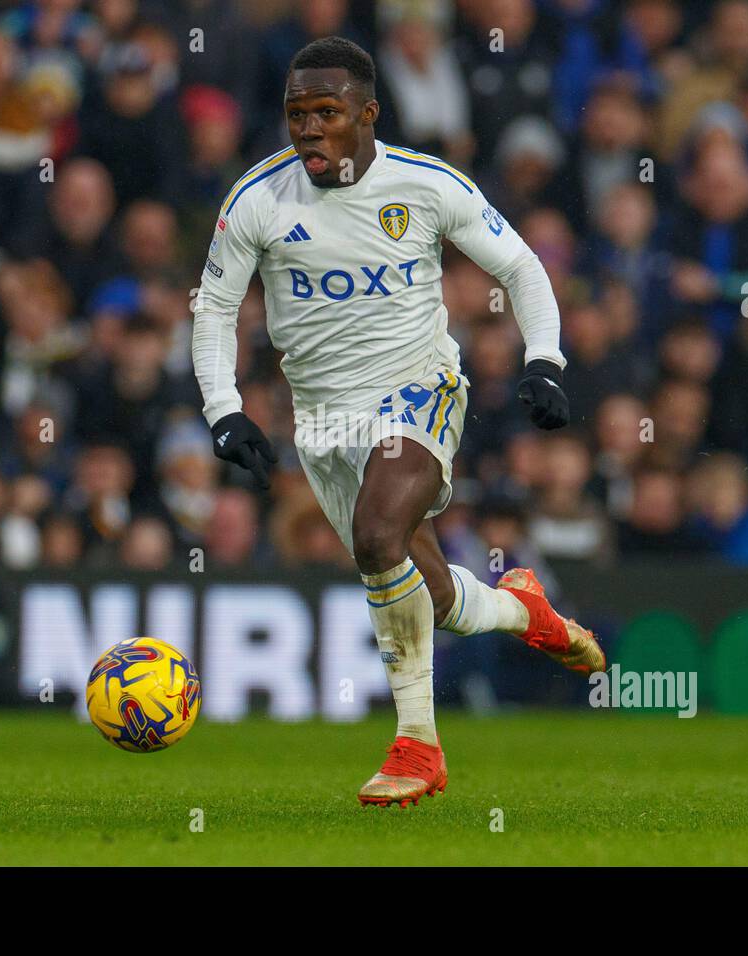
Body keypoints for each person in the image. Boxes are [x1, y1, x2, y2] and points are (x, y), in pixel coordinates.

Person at [190, 37, 604, 808]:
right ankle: (525, 610)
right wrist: (224, 409)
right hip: (320, 420)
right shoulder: (257, 198)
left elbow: (519, 266)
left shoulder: (426, 184)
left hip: (419, 388)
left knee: (378, 537)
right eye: (295, 114)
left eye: (326, 113)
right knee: (438, 599)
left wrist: (544, 358)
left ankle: (418, 745)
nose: (308, 130)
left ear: (367, 114)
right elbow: (215, 308)